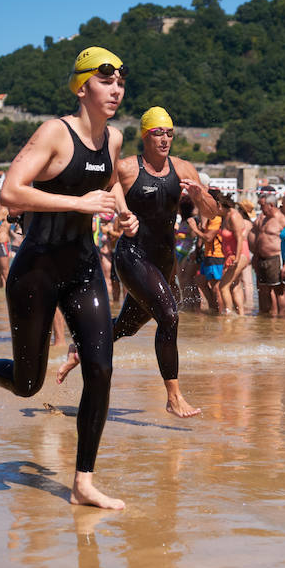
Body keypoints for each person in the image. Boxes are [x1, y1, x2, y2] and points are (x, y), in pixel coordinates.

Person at [0, 45, 138, 509]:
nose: (116, 89)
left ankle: (83, 482)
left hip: (84, 267)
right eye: (106, 80)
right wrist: (79, 204)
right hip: (36, 272)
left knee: (102, 368)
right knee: (29, 384)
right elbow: (10, 191)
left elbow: (108, 185)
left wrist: (123, 213)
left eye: (121, 82)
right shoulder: (55, 133)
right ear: (82, 86)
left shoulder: (113, 140)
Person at [60, 106, 216, 416]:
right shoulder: (128, 168)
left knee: (126, 327)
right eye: (159, 133)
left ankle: (80, 346)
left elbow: (212, 212)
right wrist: (115, 213)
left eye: (170, 133)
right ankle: (173, 397)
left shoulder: (184, 168)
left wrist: (199, 196)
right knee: (170, 316)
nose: (165, 139)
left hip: (163, 261)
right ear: (145, 136)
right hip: (131, 256)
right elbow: (93, 190)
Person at [253, 192, 285, 317]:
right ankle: (268, 318)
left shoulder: (282, 219)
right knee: (265, 290)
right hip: (262, 258)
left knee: (278, 290)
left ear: (271, 205)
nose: (260, 209)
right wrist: (255, 257)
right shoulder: (263, 219)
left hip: (275, 258)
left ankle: (280, 316)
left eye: (262, 206)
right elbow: (259, 238)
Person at [216, 193, 251, 315]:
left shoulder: (234, 216)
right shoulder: (226, 216)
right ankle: (241, 315)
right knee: (234, 285)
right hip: (232, 256)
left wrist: (236, 258)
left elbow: (240, 238)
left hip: (240, 255)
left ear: (220, 205)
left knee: (223, 286)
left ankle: (228, 315)